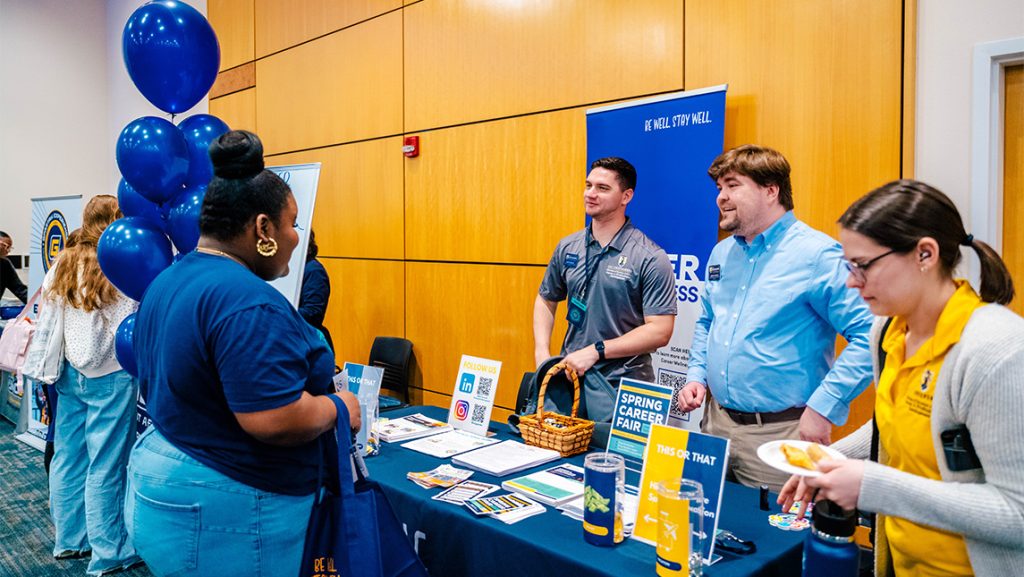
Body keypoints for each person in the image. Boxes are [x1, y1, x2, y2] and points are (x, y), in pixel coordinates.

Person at [125, 130, 361, 577]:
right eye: (293, 223)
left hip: (168, 483)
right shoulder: (246, 300)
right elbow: (273, 418)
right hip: (232, 508)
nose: (297, 236)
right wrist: (336, 406)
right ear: (263, 229)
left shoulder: (171, 280)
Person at [780, 179, 1024, 577]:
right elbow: (902, 422)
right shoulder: (888, 331)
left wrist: (873, 486)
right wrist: (833, 460)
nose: (850, 282)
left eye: (862, 266)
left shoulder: (996, 350)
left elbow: (1017, 513)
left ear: (924, 254)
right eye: (848, 266)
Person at [676, 144, 874, 491]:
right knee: (702, 528)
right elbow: (708, 320)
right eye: (719, 188)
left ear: (771, 190)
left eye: (733, 185)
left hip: (781, 435)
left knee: (779, 540)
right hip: (714, 425)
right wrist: (696, 376)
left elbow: (870, 335)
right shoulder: (722, 253)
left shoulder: (817, 255)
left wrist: (824, 406)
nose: (721, 198)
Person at [43, 197, 141, 575]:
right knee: (107, 463)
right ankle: (109, 552)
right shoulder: (117, 262)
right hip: (111, 372)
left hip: (70, 372)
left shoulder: (64, 260)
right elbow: (128, 318)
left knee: (69, 457)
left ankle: (69, 540)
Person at [534, 157, 676, 390]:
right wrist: (542, 353)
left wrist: (596, 351)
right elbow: (546, 298)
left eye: (603, 188)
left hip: (624, 385)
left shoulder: (649, 256)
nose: (590, 193)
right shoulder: (568, 246)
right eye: (588, 185)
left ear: (626, 197)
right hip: (570, 378)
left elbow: (660, 331)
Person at [299, 228, 333, 353]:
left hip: (310, 345)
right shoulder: (292, 270)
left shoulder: (313, 270)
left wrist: (281, 313)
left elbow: (313, 312)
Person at [0, 230, 29, 303]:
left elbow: (20, 289)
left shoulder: (5, 265)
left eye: (10, 248)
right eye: (6, 246)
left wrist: (36, 302)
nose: (8, 251)